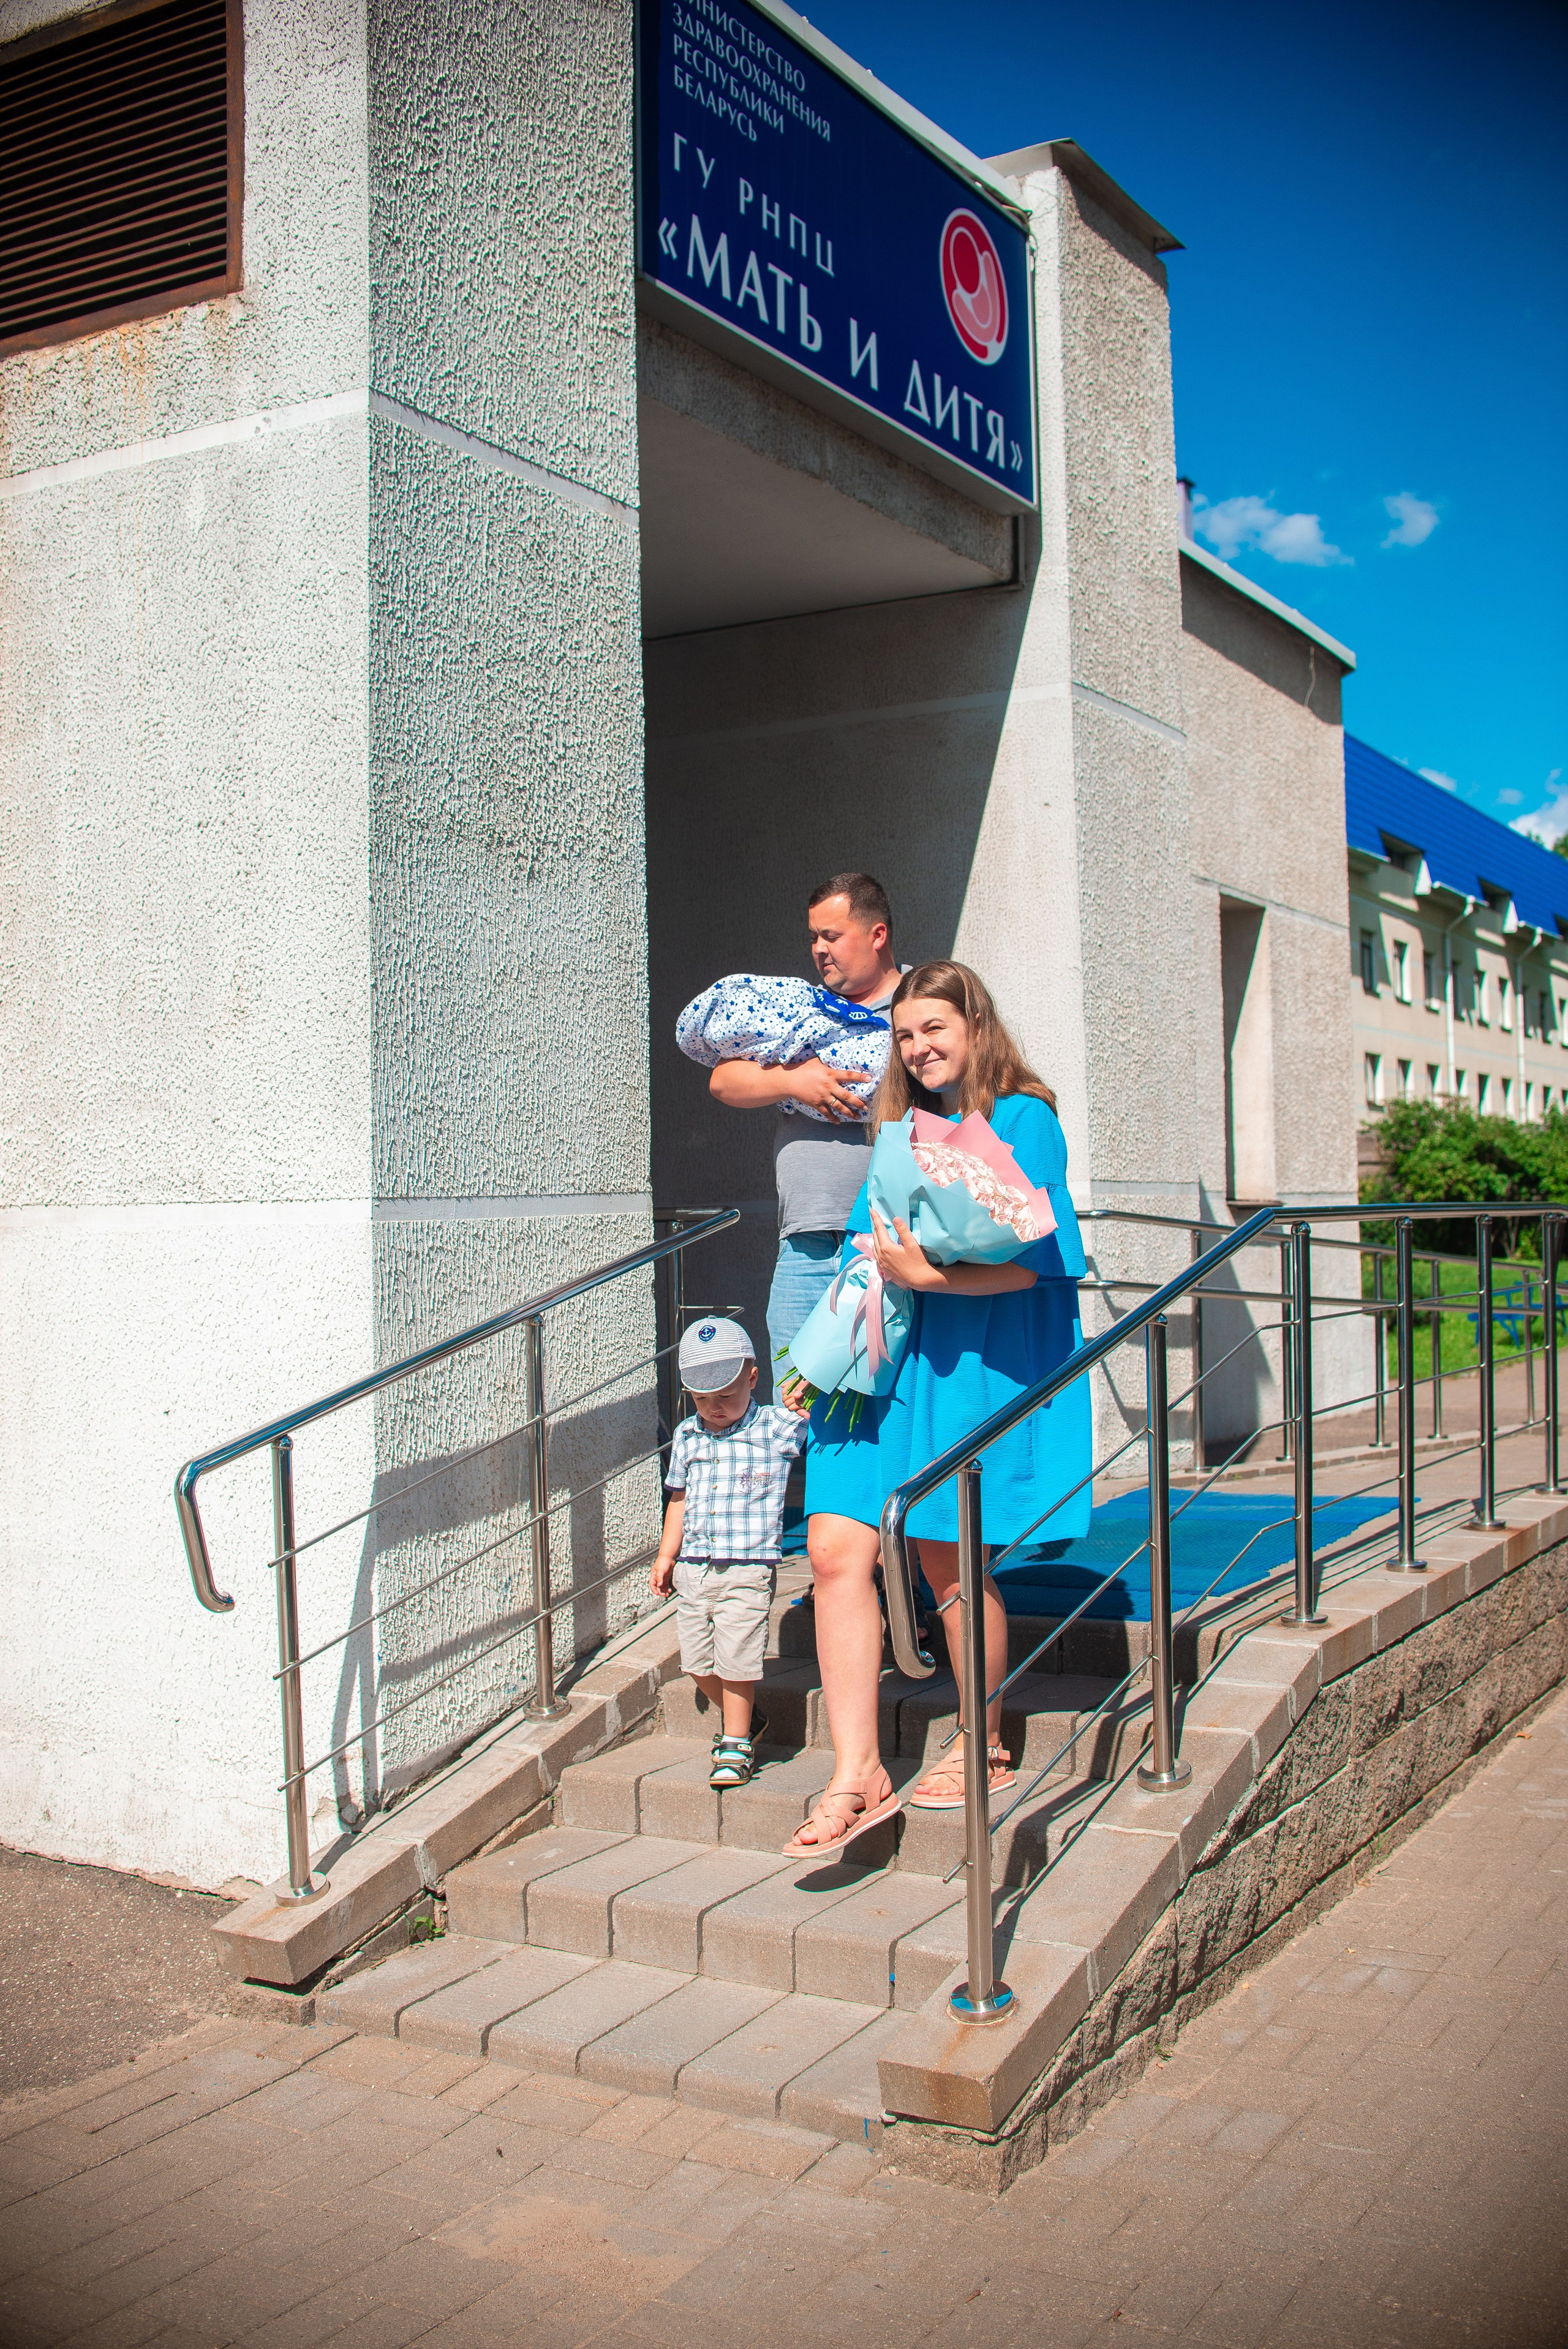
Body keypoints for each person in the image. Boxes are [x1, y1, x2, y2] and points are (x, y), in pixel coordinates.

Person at [779, 962, 1090, 1857]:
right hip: (875, 1355)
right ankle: (857, 1772)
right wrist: (813, 1354)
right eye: (905, 1036)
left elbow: (1042, 1257)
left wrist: (931, 1274)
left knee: (944, 1557)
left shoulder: (1025, 1116)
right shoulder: (895, 1126)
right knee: (836, 1548)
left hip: (965, 1355)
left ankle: (983, 1736)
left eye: (932, 1029)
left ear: (974, 1022)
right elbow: (860, 1255)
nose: (918, 1049)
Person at [708, 874, 900, 1393]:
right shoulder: (801, 1010)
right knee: (798, 1402)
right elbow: (723, 1080)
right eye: (813, 937)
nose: (818, 950)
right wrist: (794, 1080)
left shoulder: (919, 1006)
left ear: (877, 934)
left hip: (890, 1243)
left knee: (882, 1399)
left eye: (831, 936)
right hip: (804, 1245)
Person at [650, 1316, 805, 1789]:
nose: (714, 1408)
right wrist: (665, 1556)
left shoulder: (776, 1428)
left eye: (726, 1395)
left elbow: (814, 1421)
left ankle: (735, 1742)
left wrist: (804, 1401)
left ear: (753, 1378)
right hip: (695, 1567)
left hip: (749, 1567)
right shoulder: (687, 1436)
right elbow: (678, 1498)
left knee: (736, 1659)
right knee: (697, 1662)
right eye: (702, 1398)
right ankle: (749, 1719)